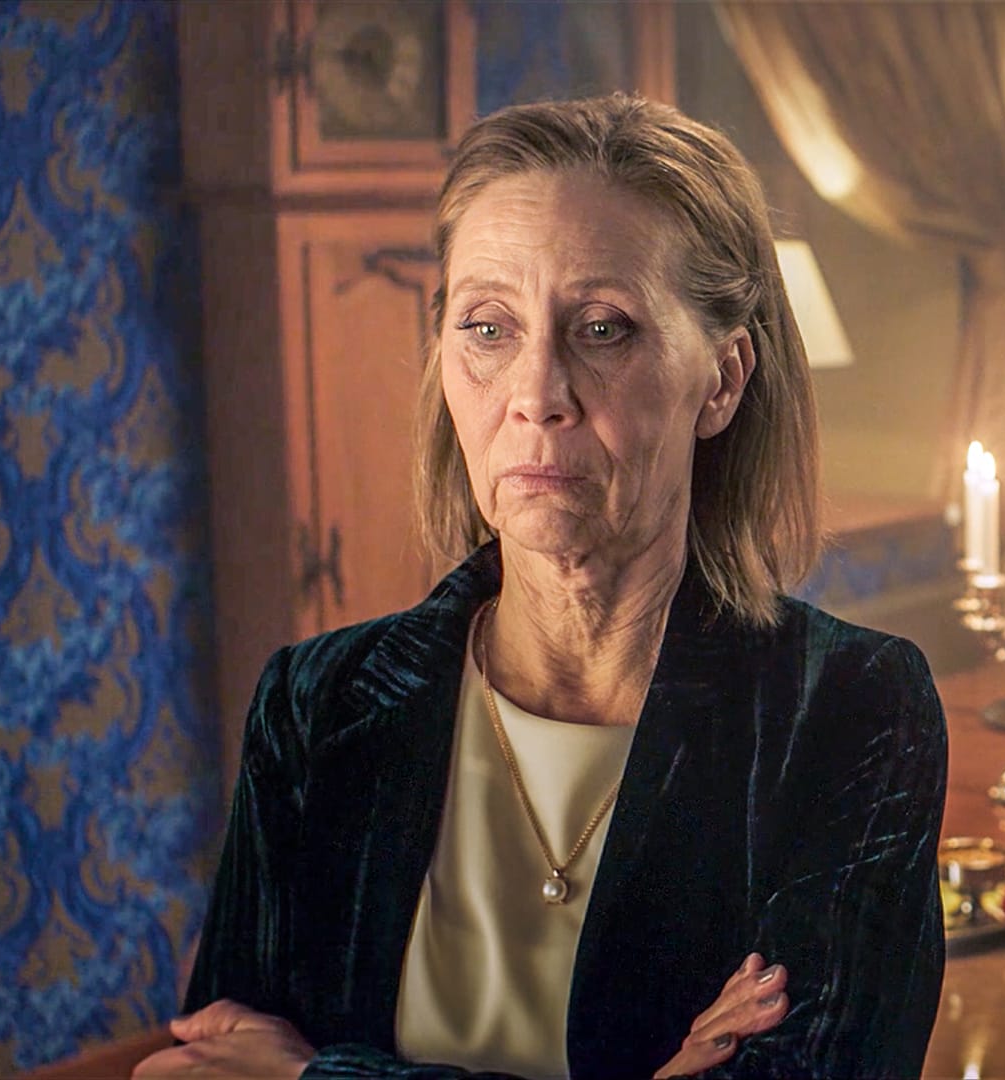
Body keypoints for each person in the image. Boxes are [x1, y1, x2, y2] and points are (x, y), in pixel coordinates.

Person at [136, 94, 948, 1079]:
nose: (535, 395)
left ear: (723, 379)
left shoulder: (851, 709)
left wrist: (320, 1073)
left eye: (602, 329)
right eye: (488, 328)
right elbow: (207, 1068)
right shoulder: (316, 706)